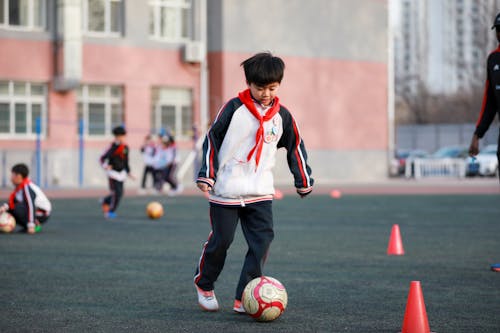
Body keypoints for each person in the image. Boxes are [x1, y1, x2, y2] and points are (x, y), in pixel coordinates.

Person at [193, 52, 314, 312]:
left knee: (262, 242)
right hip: (227, 190)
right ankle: (204, 283)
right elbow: (211, 140)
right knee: (222, 241)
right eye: (260, 87)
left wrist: (302, 179)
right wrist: (207, 174)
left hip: (260, 191)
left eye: (272, 87)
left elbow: (295, 147)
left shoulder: (282, 116)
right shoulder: (233, 109)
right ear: (249, 84)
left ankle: (244, 296)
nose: (266, 93)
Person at [468, 12, 500, 272]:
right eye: (497, 30)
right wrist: (478, 134)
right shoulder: (493, 59)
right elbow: (489, 103)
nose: (499, 34)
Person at [0, 163, 51, 234]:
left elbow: (30, 205)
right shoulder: (20, 187)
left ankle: (35, 224)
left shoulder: (27, 187)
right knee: (8, 210)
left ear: (19, 176)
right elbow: (14, 201)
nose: (11, 178)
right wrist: (4, 207)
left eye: (12, 175)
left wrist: (31, 225)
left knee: (16, 209)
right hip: (33, 210)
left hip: (41, 213)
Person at [99, 125, 134, 219]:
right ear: (116, 137)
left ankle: (105, 201)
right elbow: (102, 158)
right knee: (116, 193)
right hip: (113, 174)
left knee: (120, 193)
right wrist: (106, 166)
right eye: (120, 136)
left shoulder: (125, 147)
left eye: (123, 136)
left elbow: (126, 161)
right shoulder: (112, 146)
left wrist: (129, 172)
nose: (122, 138)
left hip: (121, 174)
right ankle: (110, 211)